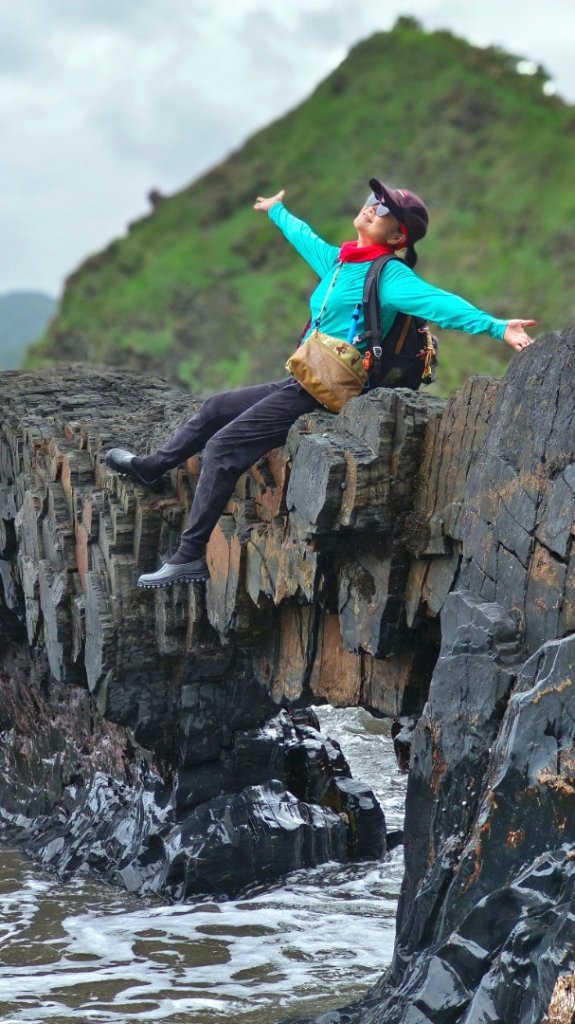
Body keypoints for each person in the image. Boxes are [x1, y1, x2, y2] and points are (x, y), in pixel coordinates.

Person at [106, 179, 535, 589]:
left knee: (223, 448)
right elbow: (303, 237)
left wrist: (498, 328)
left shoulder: (391, 277)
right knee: (216, 408)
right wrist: (276, 210)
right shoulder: (340, 262)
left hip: (328, 392)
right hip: (306, 378)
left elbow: (441, 304)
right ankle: (152, 468)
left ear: (399, 236)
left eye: (384, 208)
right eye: (373, 200)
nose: (371, 207)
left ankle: (189, 556)